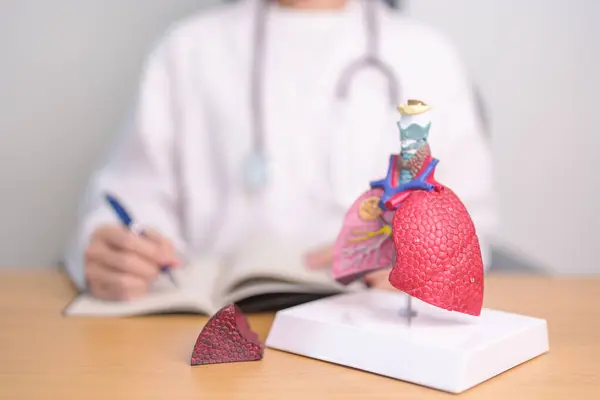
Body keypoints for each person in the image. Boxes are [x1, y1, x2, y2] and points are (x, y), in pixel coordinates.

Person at [63, 0, 498, 301]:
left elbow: (470, 220)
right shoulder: (189, 48)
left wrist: (428, 252)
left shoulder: (426, 53)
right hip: (213, 336)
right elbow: (128, 200)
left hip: (374, 336)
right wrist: (115, 253)